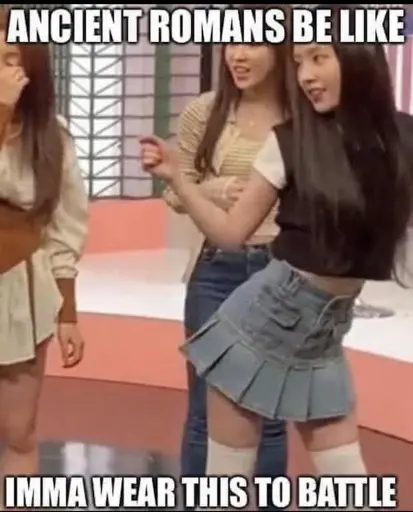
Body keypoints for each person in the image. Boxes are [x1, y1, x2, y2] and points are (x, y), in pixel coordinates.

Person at [141, 4, 413, 509]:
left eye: (319, 58)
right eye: (300, 60)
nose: (306, 74)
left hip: (323, 335)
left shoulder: (402, 138)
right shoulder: (289, 141)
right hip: (256, 322)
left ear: (357, 55)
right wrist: (179, 177)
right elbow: (230, 232)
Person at [162, 37, 288, 509]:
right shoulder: (205, 111)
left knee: (271, 414)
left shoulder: (302, 116)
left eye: (252, 43)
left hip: (281, 272)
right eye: (231, 42)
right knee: (204, 412)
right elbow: (175, 189)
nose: (237, 54)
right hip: (216, 269)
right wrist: (216, 190)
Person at [0, 8, 88, 507]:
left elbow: (65, 225)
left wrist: (68, 311)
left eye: (11, 58)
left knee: (19, 433)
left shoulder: (53, 134)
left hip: (21, 293)